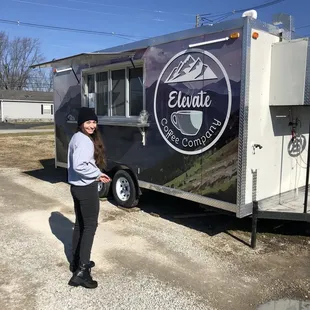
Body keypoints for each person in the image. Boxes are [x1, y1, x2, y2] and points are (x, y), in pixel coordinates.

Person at [67, 107, 111, 289]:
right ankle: (82, 272)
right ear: (81, 124)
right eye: (88, 122)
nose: (92, 125)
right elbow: (79, 165)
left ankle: (76, 262)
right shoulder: (84, 141)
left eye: (94, 122)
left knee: (80, 224)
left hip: (76, 187)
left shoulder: (76, 138)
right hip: (85, 188)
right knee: (90, 226)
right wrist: (97, 174)